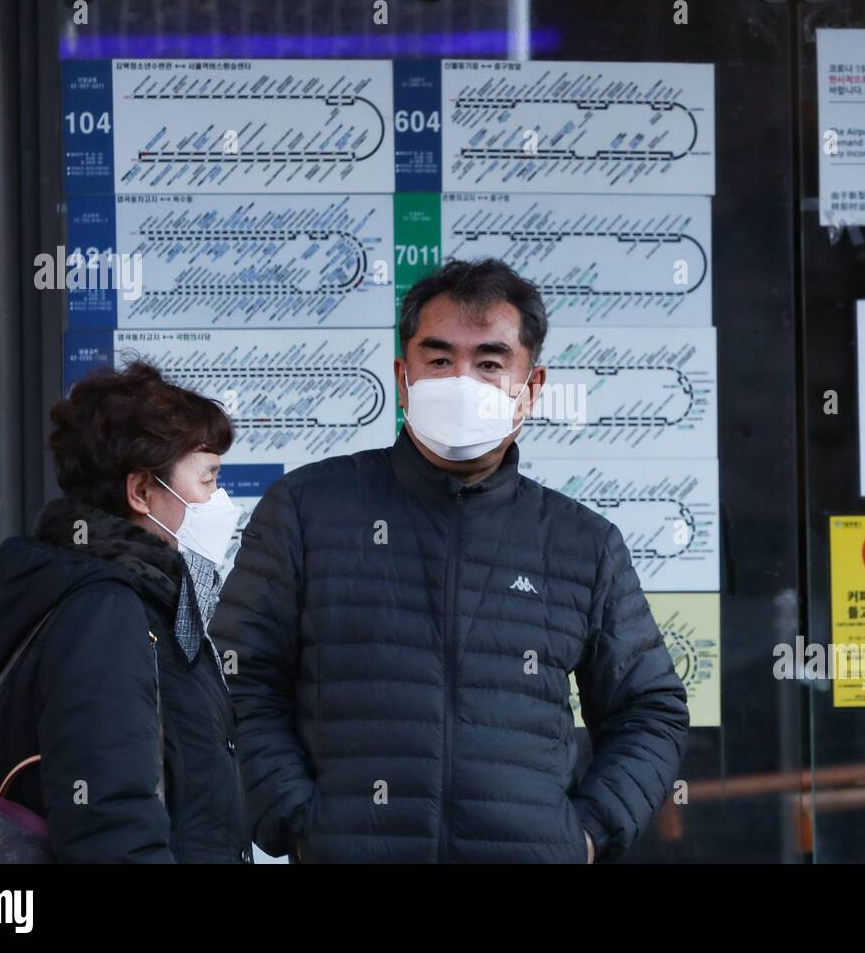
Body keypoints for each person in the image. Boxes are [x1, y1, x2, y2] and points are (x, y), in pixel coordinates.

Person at [213, 257, 689, 863]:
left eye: (489, 363)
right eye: (439, 360)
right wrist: (296, 819)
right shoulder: (307, 511)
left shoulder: (582, 543)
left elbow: (650, 708)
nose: (461, 379)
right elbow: (237, 676)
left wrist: (583, 837)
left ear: (531, 387)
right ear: (403, 376)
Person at [0, 361, 250, 862]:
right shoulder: (106, 611)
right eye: (208, 479)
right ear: (140, 491)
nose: (220, 500)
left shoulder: (143, 599)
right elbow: (111, 823)